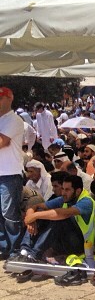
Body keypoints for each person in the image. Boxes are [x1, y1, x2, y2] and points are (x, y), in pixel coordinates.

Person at [19, 174, 95, 264]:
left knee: (58, 217)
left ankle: (34, 254)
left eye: (67, 190)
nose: (63, 193)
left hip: (85, 246)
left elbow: (63, 214)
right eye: (63, 189)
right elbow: (36, 206)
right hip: (67, 241)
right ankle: (24, 251)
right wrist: (31, 219)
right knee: (41, 212)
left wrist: (34, 216)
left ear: (77, 191)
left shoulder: (86, 202)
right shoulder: (65, 198)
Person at [0, 87, 25, 259]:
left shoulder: (14, 119)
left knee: (9, 214)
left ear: (10, 98)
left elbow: (2, 142)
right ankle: (3, 247)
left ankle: (15, 249)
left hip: (10, 173)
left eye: (1, 98)